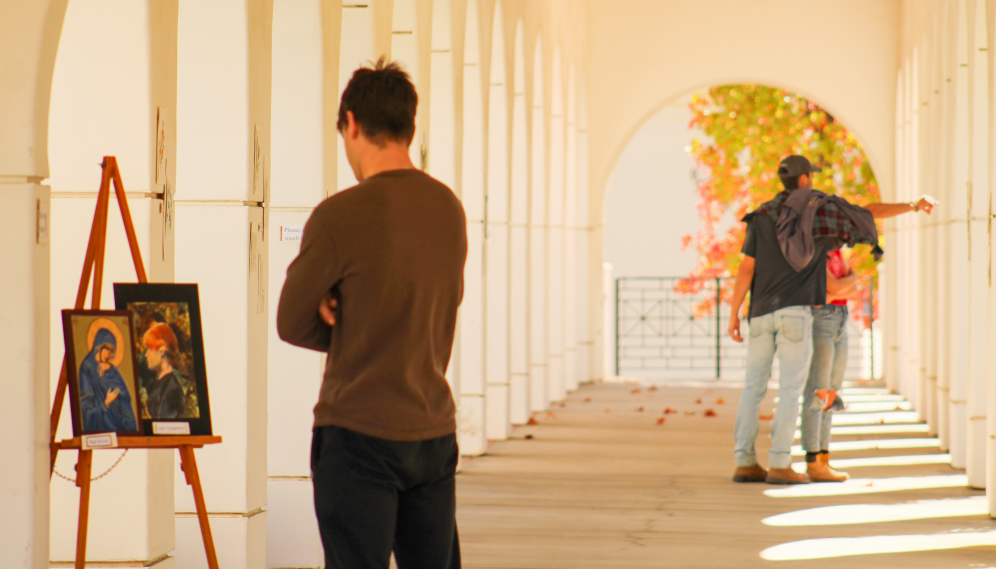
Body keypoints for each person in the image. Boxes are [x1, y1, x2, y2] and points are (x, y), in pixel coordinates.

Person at [277, 58, 467, 569]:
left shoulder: (339, 215)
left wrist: (349, 316)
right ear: (409, 125)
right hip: (431, 429)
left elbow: (290, 321)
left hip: (358, 432)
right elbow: (435, 306)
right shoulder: (449, 209)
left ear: (353, 123)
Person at [728, 155, 881, 485]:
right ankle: (780, 463)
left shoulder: (759, 217)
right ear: (802, 181)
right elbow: (864, 214)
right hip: (795, 314)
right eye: (810, 176)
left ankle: (744, 462)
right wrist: (910, 207)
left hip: (759, 314)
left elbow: (745, 269)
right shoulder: (816, 218)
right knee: (790, 390)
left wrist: (734, 314)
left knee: (752, 388)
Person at [801, 195, 936, 482]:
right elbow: (839, 284)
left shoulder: (835, 251)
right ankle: (812, 460)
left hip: (838, 317)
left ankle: (823, 458)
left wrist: (913, 205)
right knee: (817, 390)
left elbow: (848, 284)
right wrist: (847, 283)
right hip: (821, 320)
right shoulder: (814, 248)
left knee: (832, 390)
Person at [79, 326, 138, 433]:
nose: (109, 354)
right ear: (98, 346)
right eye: (107, 349)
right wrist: (106, 403)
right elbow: (87, 411)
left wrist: (110, 370)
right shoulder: (86, 369)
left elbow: (126, 395)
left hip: (119, 423)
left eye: (112, 351)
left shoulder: (111, 368)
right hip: (102, 423)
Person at [142, 322, 186, 419]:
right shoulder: (160, 384)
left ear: (161, 351)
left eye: (149, 348)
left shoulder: (172, 390)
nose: (146, 354)